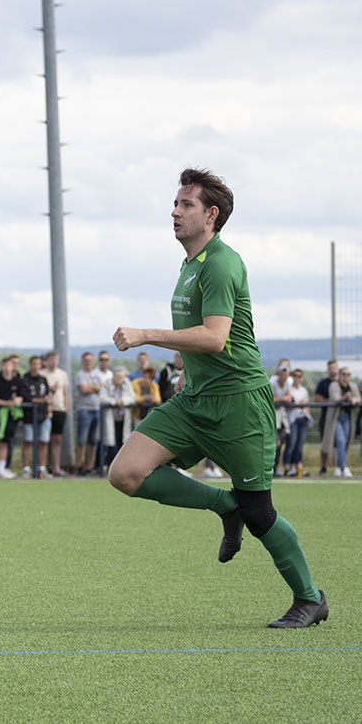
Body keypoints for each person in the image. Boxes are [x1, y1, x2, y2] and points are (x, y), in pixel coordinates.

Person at [110, 167, 326, 628]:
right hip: (195, 400)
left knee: (260, 513)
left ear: (211, 215)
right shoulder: (190, 265)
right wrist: (186, 373)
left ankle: (310, 599)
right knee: (125, 473)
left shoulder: (222, 262)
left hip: (239, 405)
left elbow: (214, 337)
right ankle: (225, 507)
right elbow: (201, 342)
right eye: (175, 203)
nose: (174, 211)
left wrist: (146, 334)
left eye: (185, 204)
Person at [20, 355, 52, 479]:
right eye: (34, 363)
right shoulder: (25, 379)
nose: (36, 366)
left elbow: (47, 396)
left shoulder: (43, 379)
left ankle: (42, 468)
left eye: (38, 364)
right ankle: (26, 469)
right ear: (30, 364)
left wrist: (48, 407)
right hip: (29, 416)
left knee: (43, 442)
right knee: (28, 442)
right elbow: (27, 398)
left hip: (43, 415)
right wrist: (41, 400)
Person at [324, 368, 358, 478]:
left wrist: (355, 400)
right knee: (340, 440)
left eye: (348, 374)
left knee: (345, 442)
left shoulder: (352, 386)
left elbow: (359, 397)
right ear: (339, 375)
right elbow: (335, 398)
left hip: (348, 417)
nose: (346, 376)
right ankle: (344, 466)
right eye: (344, 374)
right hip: (336, 417)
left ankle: (338, 467)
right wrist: (345, 397)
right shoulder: (334, 385)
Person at [41, 350, 69, 476]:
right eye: (51, 359)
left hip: (59, 410)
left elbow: (65, 392)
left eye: (56, 359)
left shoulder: (62, 374)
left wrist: (65, 408)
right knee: (44, 439)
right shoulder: (42, 374)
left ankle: (56, 467)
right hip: (45, 411)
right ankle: (43, 467)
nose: (54, 362)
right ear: (46, 361)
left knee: (57, 440)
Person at [284, 369, 312, 478]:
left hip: (303, 419)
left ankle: (298, 467)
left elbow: (308, 406)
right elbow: (287, 406)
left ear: (302, 378)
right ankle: (288, 467)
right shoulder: (289, 390)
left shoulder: (304, 390)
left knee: (300, 445)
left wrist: (304, 407)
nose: (297, 378)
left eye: (299, 376)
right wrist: (298, 405)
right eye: (295, 375)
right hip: (293, 419)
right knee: (291, 443)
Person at [313, 360, 339, 474]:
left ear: (337, 368)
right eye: (330, 368)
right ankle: (323, 466)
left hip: (339, 417)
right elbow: (317, 399)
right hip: (326, 417)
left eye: (334, 367)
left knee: (340, 442)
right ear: (328, 369)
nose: (332, 370)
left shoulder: (341, 382)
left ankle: (339, 466)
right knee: (325, 442)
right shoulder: (323, 383)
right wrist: (331, 401)